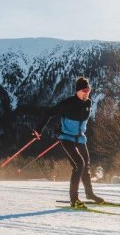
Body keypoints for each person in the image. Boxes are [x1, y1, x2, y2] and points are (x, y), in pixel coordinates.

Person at [34, 77, 105, 208]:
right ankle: (74, 199)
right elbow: (50, 113)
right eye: (84, 90)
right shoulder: (68, 103)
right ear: (78, 91)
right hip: (67, 138)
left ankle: (89, 194)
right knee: (79, 164)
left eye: (88, 90)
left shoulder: (88, 103)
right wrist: (39, 129)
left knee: (86, 166)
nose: (87, 92)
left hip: (80, 138)